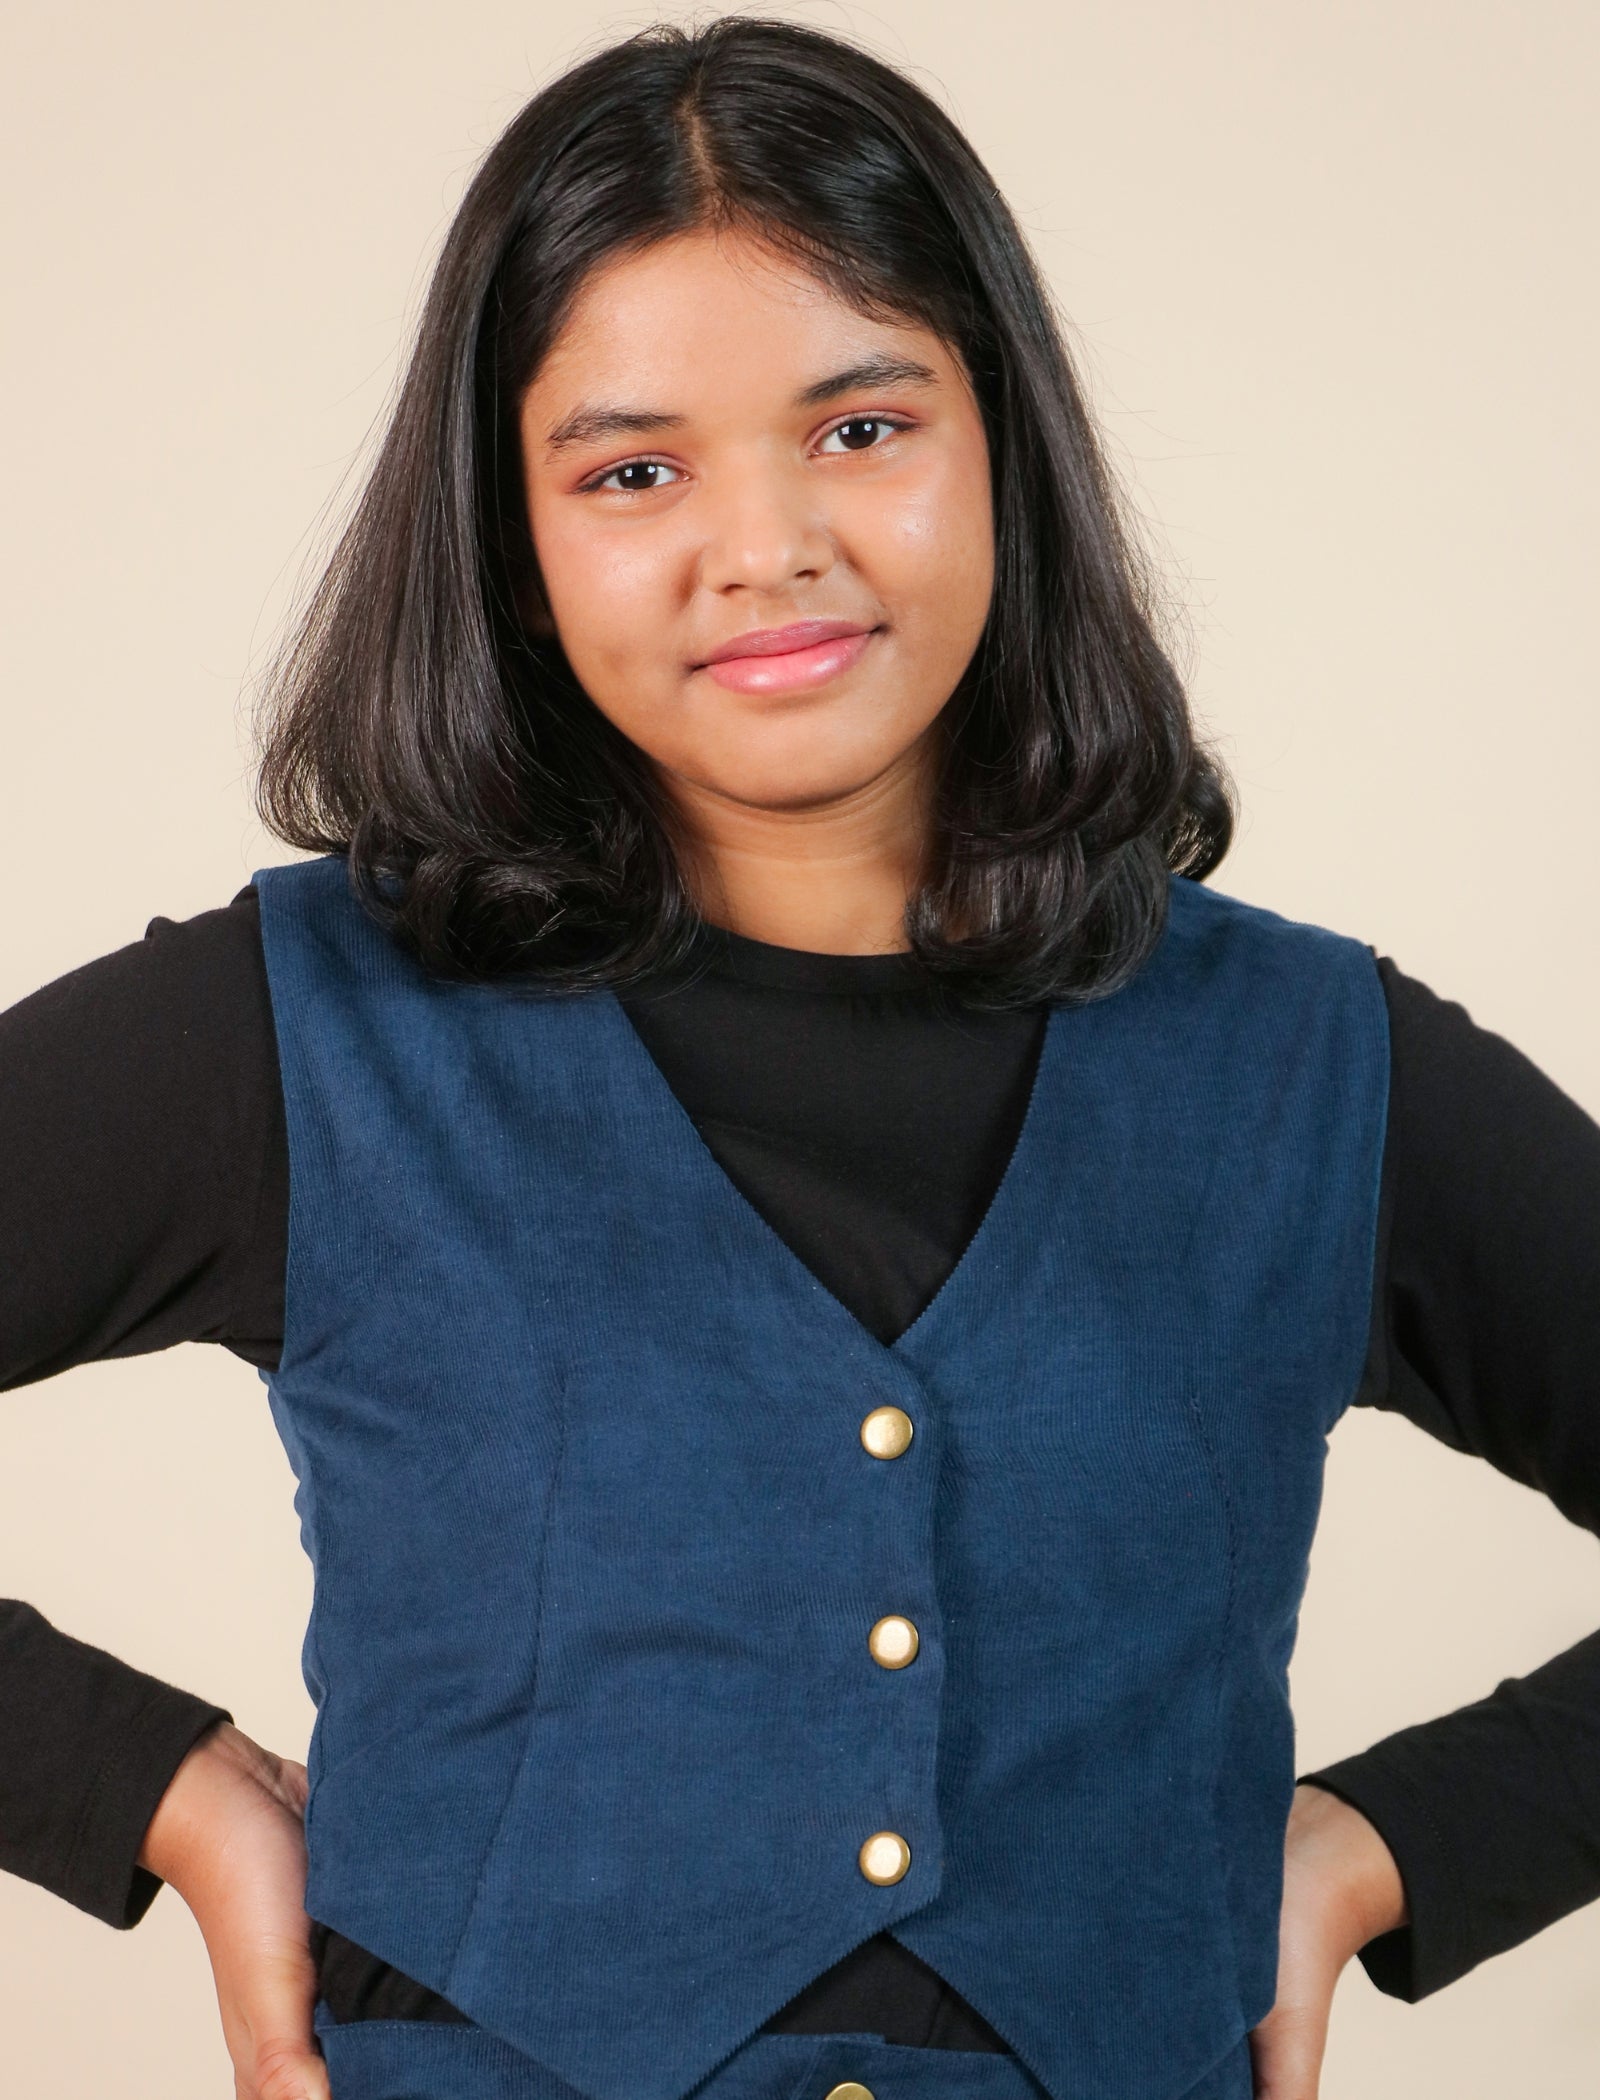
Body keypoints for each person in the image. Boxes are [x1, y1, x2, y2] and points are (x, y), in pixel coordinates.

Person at [3, 17, 1599, 2100]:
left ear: (999, 442)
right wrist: (166, 1798)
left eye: (859, 430)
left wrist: (1391, 1848)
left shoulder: (1312, 1068)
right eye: (631, 469)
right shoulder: (292, 1034)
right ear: (512, 536)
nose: (760, 546)